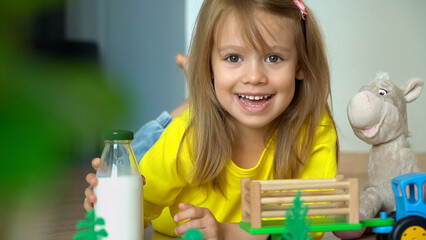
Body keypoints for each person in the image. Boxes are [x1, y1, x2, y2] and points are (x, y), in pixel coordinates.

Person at [84, 0, 339, 239]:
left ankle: (194, 97)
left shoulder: (315, 127)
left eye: (273, 58)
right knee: (143, 143)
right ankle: (188, 102)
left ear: (301, 65)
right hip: (166, 145)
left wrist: (226, 232)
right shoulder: (187, 137)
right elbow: (130, 214)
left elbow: (311, 221)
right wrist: (106, 206)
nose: (254, 77)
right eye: (234, 58)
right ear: (209, 66)